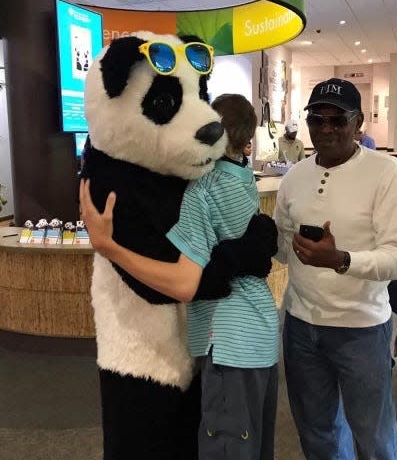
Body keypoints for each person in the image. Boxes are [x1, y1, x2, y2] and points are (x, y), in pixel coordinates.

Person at [80, 93, 279, 460]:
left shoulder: (201, 190)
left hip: (228, 341)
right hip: (261, 332)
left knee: (226, 447)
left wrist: (109, 246)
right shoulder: (242, 179)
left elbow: (185, 283)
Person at [274, 78, 397, 459]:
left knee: (375, 438)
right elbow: (282, 247)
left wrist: (341, 260)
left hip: (362, 329)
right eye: (317, 119)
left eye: (338, 120)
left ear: (359, 123)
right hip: (302, 326)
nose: (325, 129)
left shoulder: (387, 172)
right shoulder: (294, 176)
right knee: (317, 433)